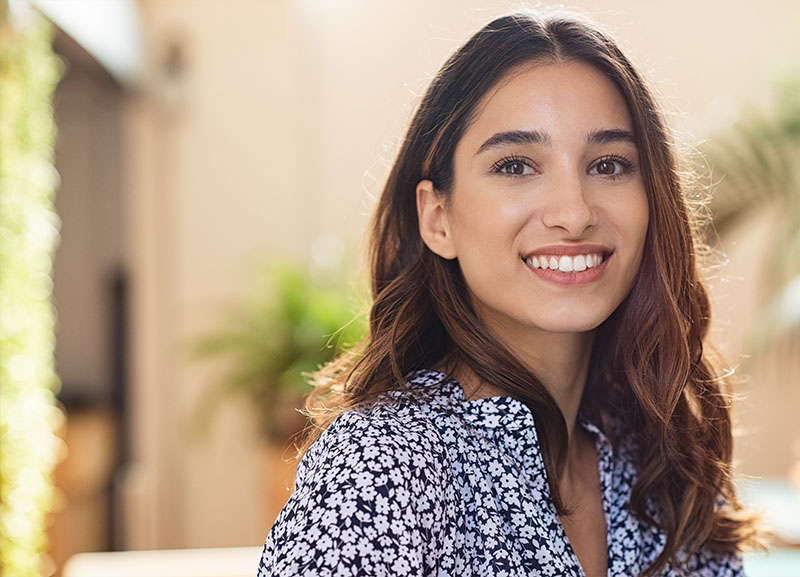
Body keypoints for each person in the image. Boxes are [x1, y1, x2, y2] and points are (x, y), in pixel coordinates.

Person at [258, 10, 759, 577]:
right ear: (438, 217)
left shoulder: (666, 464)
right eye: (516, 165)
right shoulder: (379, 470)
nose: (574, 213)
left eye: (609, 164)